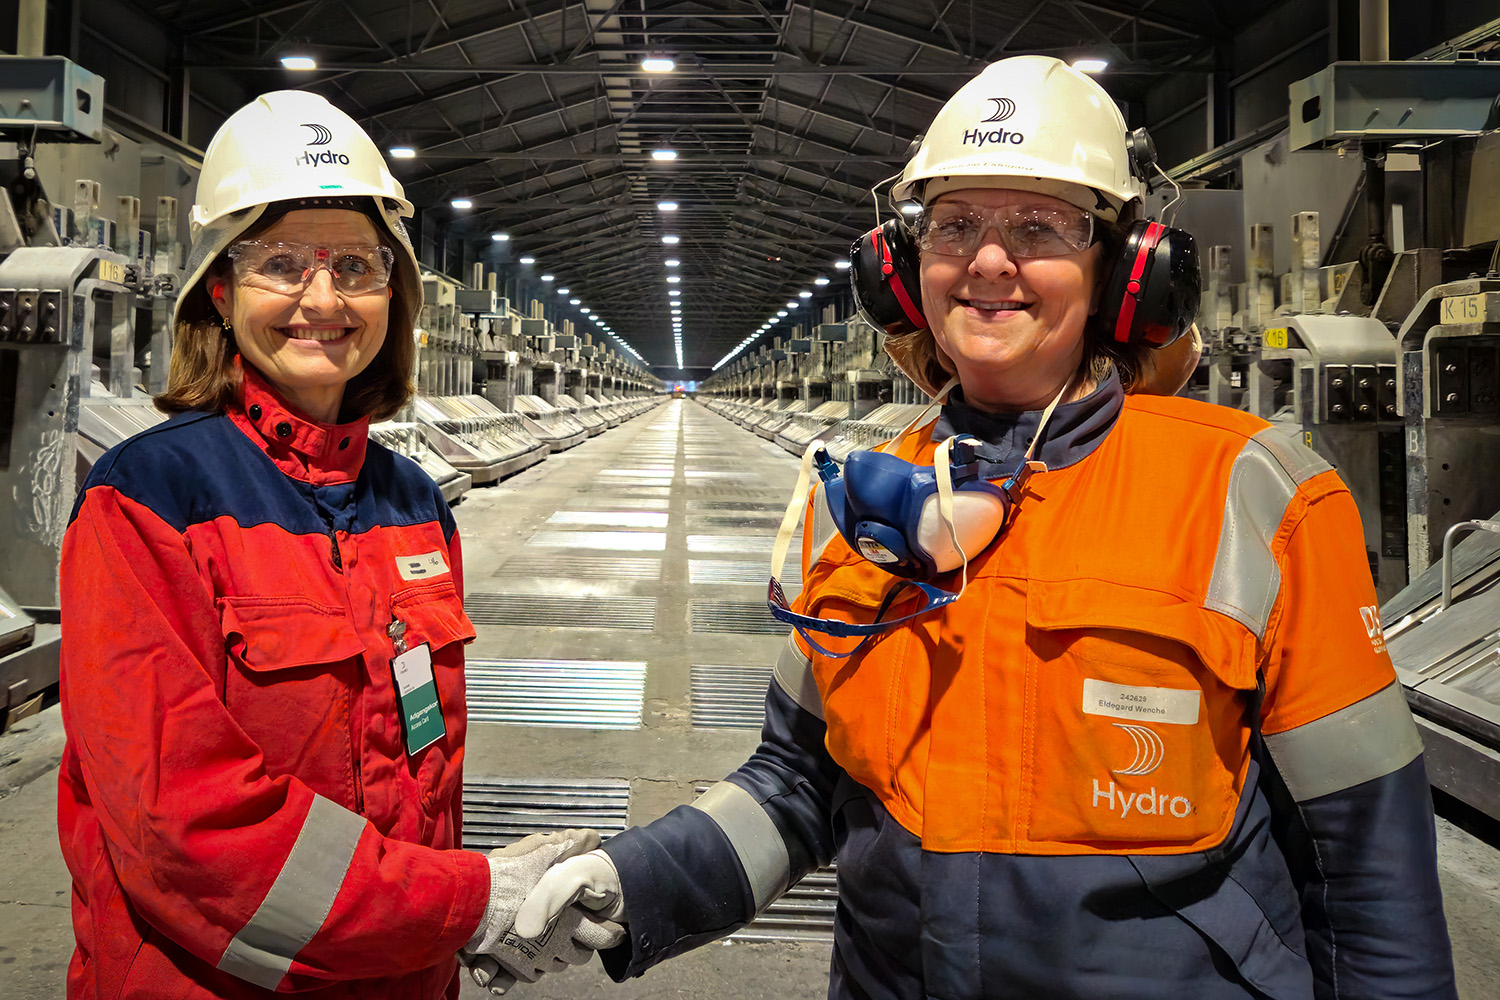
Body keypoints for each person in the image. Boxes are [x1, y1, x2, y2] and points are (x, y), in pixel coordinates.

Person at [513, 56, 1458, 998]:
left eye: (1042, 227)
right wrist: (638, 880)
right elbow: (798, 786)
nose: (989, 260)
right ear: (900, 268)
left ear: (1128, 273)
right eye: (954, 225)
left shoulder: (1255, 492)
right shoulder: (854, 498)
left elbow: (1369, 865)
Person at [56, 90, 617, 999]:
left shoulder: (410, 502)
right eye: (280, 262)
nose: (322, 299)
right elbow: (184, 825)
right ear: (220, 288)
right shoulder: (150, 502)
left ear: (393, 293)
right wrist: (467, 904)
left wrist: (444, 921)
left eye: (355, 265)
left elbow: (421, 779)